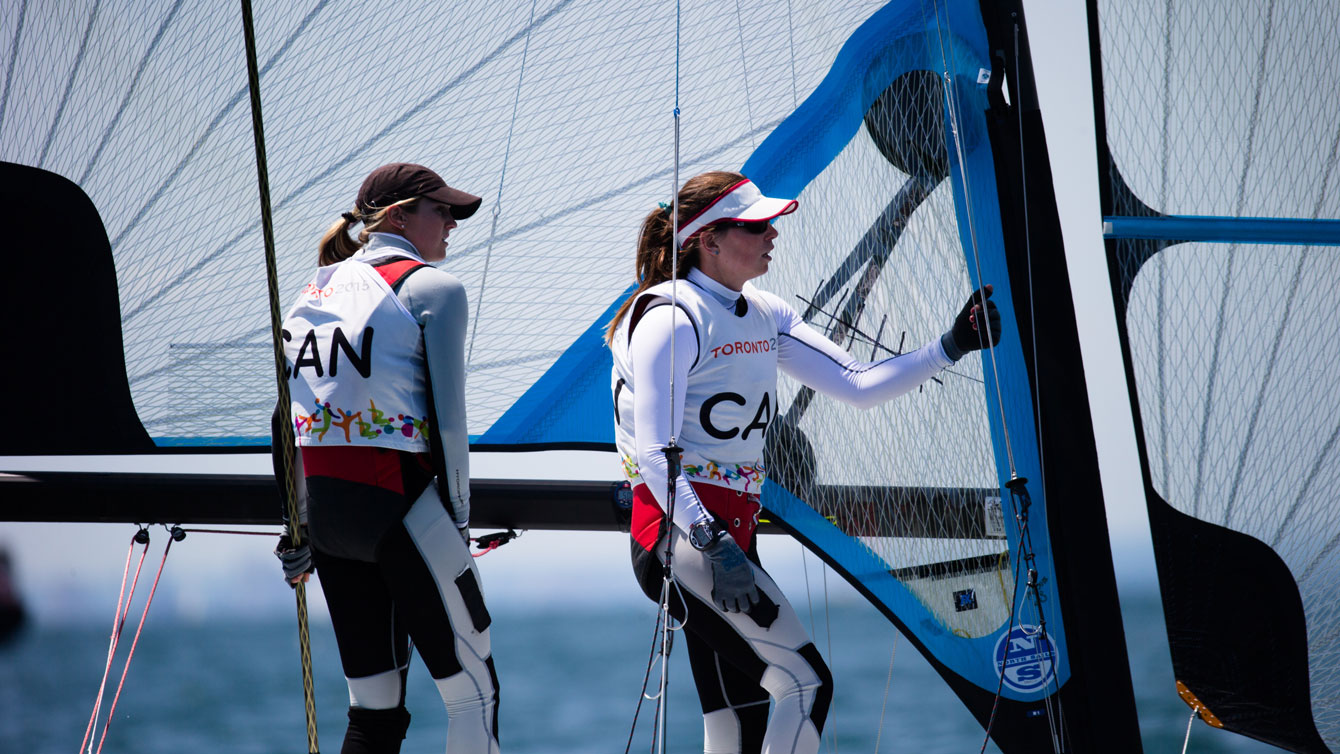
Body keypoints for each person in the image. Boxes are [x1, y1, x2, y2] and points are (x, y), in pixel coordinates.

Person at [606, 171, 1001, 754]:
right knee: (805, 684)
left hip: (728, 538)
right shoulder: (671, 316)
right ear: (708, 240)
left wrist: (951, 344)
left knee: (738, 718)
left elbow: (858, 384)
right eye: (756, 225)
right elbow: (655, 457)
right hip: (683, 538)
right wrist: (716, 547)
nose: (772, 235)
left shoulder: (764, 313)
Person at [273, 163, 500, 754]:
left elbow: (285, 421)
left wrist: (293, 525)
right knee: (475, 697)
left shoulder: (311, 290)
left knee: (374, 712)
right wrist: (457, 523)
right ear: (397, 216)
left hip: (327, 522)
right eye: (441, 211)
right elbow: (450, 422)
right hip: (404, 510)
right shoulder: (433, 288)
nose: (452, 224)